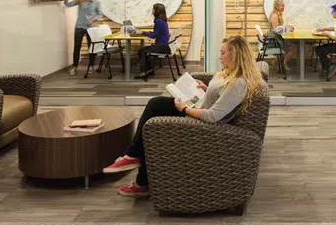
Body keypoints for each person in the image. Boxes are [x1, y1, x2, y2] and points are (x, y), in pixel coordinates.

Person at [103, 35, 265, 197]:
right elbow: (222, 100)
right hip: (200, 111)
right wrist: (206, 90)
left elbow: (213, 115)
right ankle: (135, 164)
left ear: (235, 55)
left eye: (223, 53)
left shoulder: (238, 84)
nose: (219, 56)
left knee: (153, 124)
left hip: (203, 126)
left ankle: (135, 163)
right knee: (155, 105)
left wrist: (183, 109)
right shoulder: (233, 75)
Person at [63, 0, 103, 76]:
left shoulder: (96, 2)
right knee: (77, 47)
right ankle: (75, 67)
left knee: (91, 47)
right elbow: (69, 4)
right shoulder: (80, 0)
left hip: (91, 28)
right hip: (79, 27)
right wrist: (66, 0)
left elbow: (100, 14)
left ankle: (92, 66)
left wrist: (93, 19)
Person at [134, 4, 171, 80]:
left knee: (142, 51)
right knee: (144, 50)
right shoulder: (162, 20)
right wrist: (146, 32)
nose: (152, 10)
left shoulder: (158, 21)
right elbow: (156, 32)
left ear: (156, 11)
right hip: (164, 46)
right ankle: (149, 71)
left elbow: (154, 35)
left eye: (153, 9)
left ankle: (143, 73)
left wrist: (143, 32)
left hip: (162, 47)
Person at [268, 0, 297, 70]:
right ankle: (283, 64)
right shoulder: (275, 15)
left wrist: (288, 27)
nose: (283, 7)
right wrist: (288, 29)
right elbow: (276, 30)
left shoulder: (278, 14)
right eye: (282, 5)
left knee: (293, 44)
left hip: (277, 38)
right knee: (294, 48)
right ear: (277, 6)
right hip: (274, 40)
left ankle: (279, 64)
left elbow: (279, 27)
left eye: (283, 5)